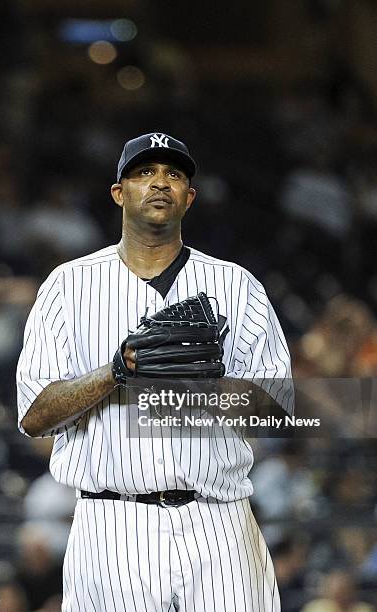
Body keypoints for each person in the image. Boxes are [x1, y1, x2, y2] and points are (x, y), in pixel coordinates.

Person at [17, 132, 292, 611]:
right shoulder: (68, 285)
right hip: (111, 523)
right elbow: (34, 416)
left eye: (174, 174)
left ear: (190, 196)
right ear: (119, 194)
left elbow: (277, 415)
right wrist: (114, 373)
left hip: (219, 523)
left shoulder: (236, 285)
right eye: (144, 172)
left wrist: (211, 385)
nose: (160, 183)